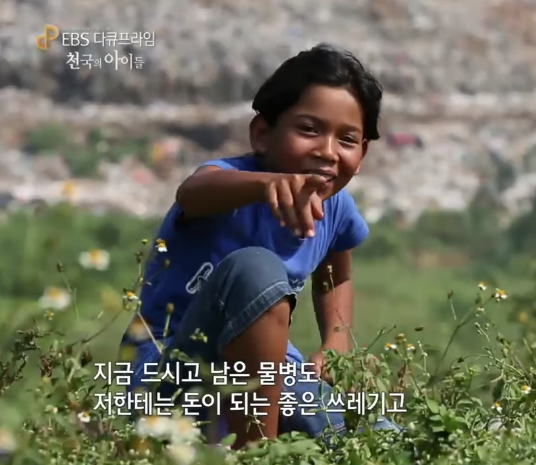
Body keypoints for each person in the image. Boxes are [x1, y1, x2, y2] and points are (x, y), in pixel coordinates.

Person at [120, 43, 400, 450]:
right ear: (262, 134)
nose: (327, 150)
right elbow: (193, 192)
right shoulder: (231, 180)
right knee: (255, 270)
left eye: (347, 139)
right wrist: (267, 186)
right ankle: (256, 457)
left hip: (268, 378)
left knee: (380, 438)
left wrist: (335, 345)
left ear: (363, 153)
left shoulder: (336, 208)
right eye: (309, 129)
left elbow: (336, 273)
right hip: (172, 374)